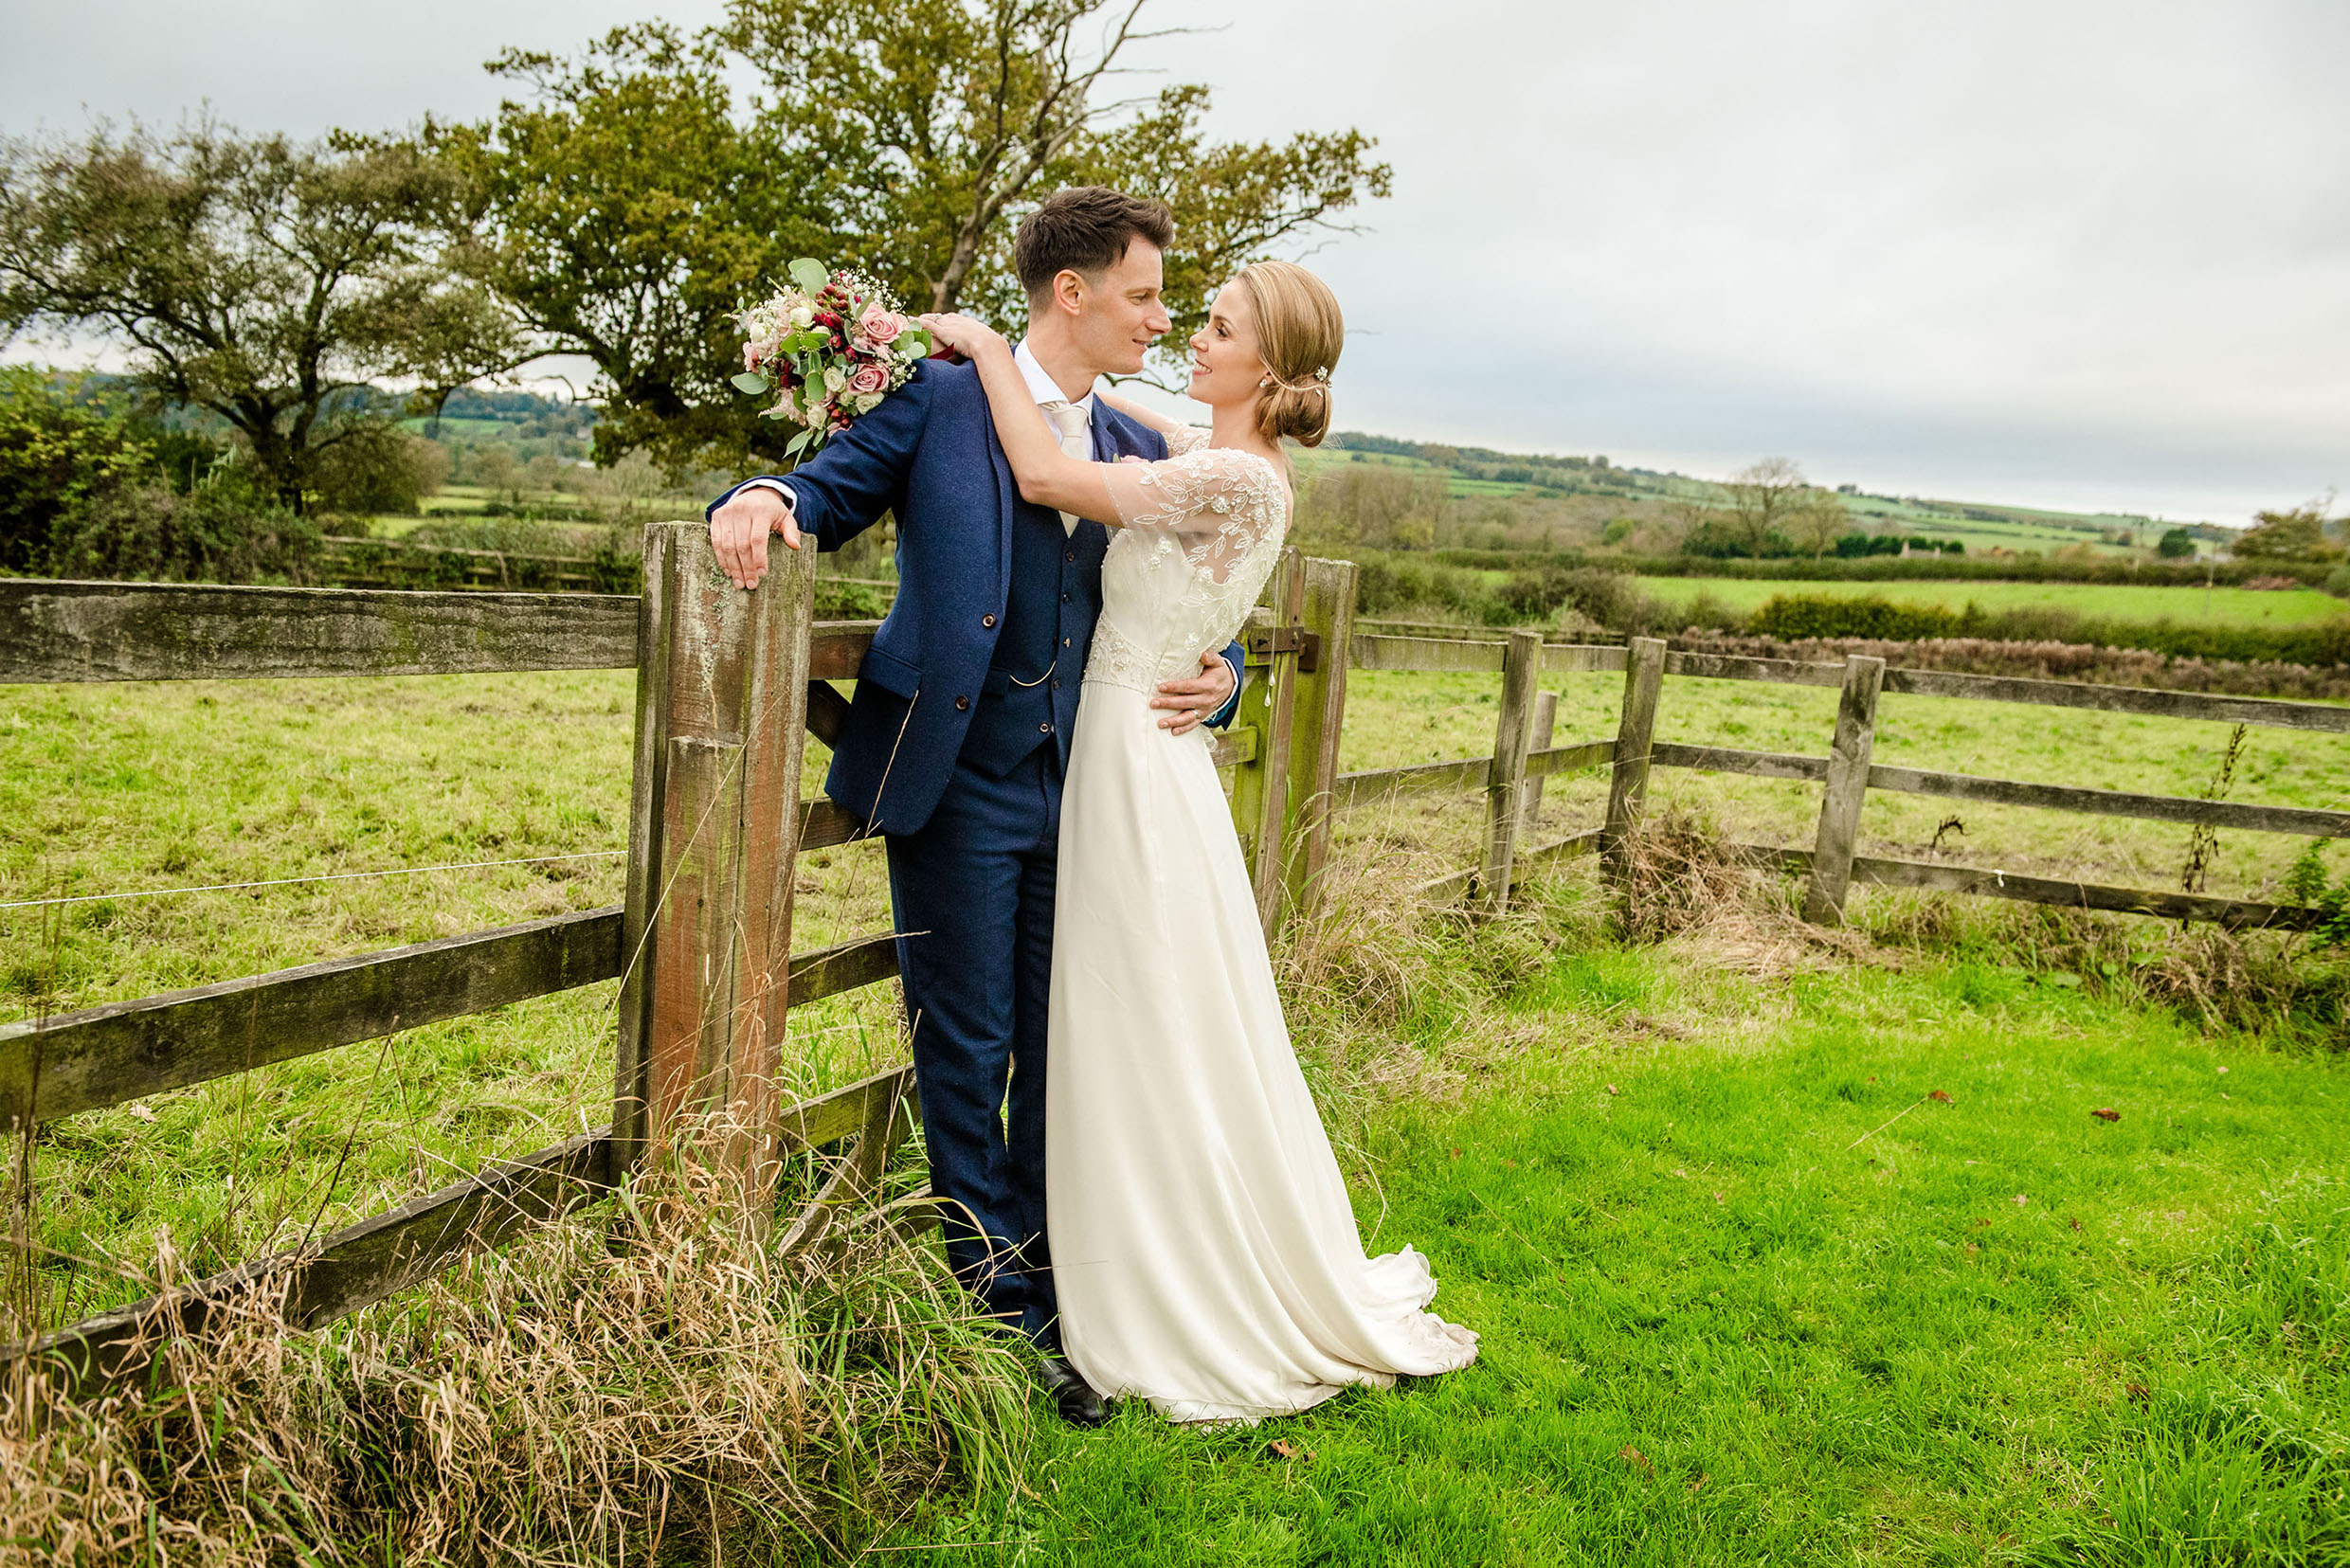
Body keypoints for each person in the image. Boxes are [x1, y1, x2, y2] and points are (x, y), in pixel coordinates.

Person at [704, 189, 1245, 1427]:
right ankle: (997, 1312)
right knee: (968, 1041)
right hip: (957, 783)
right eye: (1146, 294)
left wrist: (1227, 679)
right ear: (1074, 290)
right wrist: (759, 497)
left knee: (1071, 1046)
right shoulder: (938, 400)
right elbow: (822, 485)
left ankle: (1079, 1294)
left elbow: (1205, 616)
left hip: (1100, 792)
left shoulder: (1147, 448)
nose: (1161, 318)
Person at [918, 258, 1478, 1425]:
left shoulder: (1232, 474)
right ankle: (1088, 1246)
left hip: (1131, 753)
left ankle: (1156, 1272)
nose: (1192, 336)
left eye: (1216, 327)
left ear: (1266, 366)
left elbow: (1043, 468)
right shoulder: (1205, 447)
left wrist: (979, 345)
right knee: (1127, 1005)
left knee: (1138, 1009)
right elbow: (1113, 413)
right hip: (1132, 745)